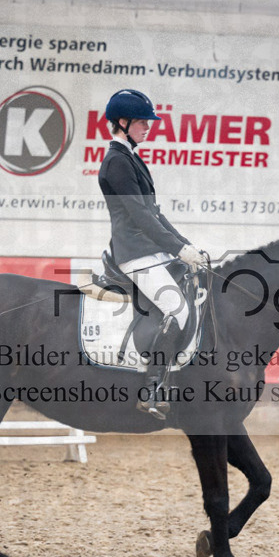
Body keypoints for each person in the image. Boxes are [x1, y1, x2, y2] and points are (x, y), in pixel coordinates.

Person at [98, 89, 208, 419]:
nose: (149, 127)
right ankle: (151, 389)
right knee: (178, 309)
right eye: (143, 122)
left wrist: (187, 247)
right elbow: (140, 217)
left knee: (192, 293)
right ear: (122, 122)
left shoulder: (131, 157)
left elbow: (155, 213)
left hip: (151, 250)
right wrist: (177, 249)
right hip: (134, 253)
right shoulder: (117, 162)